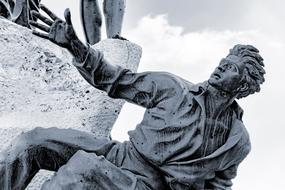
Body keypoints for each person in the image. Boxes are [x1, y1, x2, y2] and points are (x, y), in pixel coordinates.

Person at [0, 4, 265, 190]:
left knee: (83, 171)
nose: (220, 67)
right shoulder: (173, 88)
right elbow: (114, 79)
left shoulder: (236, 141)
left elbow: (218, 186)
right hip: (122, 153)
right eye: (223, 61)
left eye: (231, 68)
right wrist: (74, 45)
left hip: (150, 183)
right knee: (33, 141)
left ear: (242, 86)